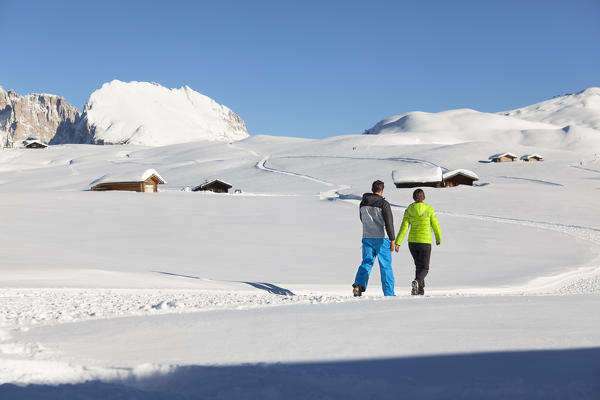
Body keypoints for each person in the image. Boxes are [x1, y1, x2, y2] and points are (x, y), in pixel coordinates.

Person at [352, 180, 396, 297]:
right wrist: (392, 239)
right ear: (382, 190)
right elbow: (389, 223)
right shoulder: (384, 204)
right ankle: (389, 293)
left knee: (366, 263)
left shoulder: (363, 203)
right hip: (382, 239)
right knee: (385, 266)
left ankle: (358, 286)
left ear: (372, 189)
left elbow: (362, 218)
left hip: (367, 236)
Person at [394, 189, 442, 295]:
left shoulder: (409, 210)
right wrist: (438, 238)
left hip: (412, 243)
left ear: (414, 198)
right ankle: (417, 282)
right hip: (425, 242)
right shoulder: (429, 209)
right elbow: (436, 225)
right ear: (424, 197)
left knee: (418, 266)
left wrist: (398, 242)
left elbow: (404, 227)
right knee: (424, 268)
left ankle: (419, 290)